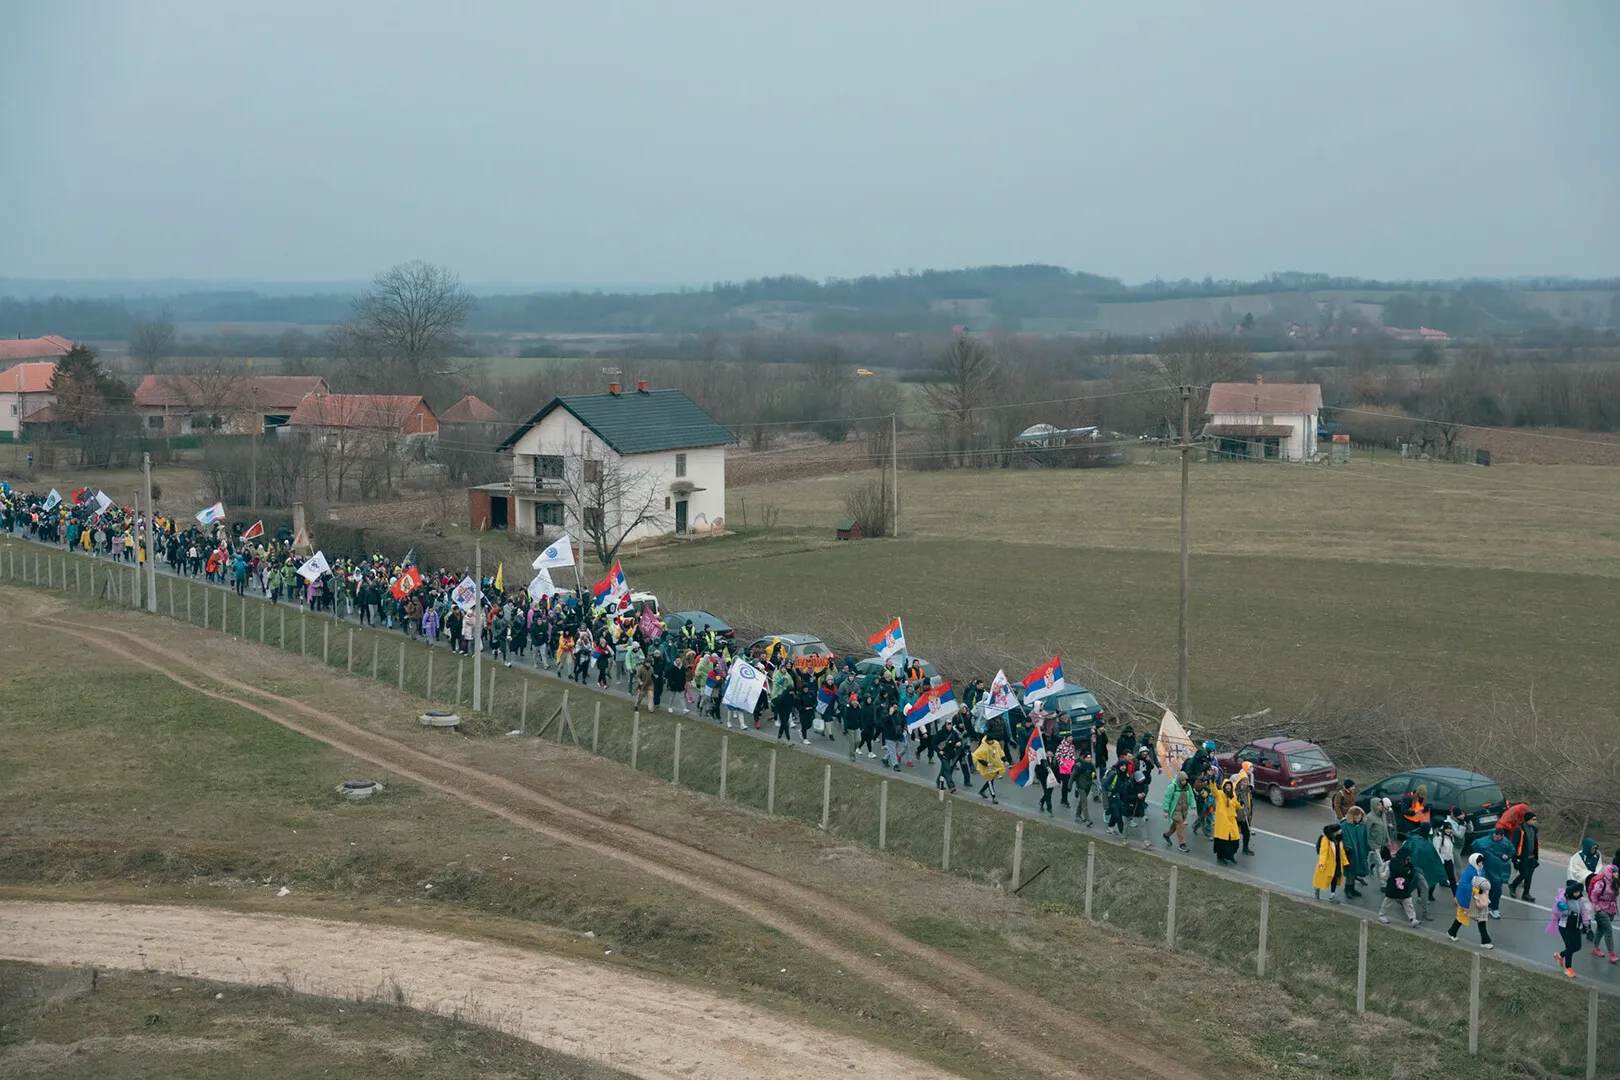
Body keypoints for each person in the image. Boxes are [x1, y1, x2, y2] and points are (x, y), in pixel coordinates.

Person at [1448, 854, 1494, 948]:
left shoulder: (1480, 869)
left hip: (1475, 898)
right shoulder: (1469, 872)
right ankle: (1452, 932)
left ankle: (1485, 940)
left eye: (1481, 862)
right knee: (1464, 917)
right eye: (1479, 862)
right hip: (1468, 899)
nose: (1481, 864)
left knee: (1480, 918)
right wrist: (1478, 890)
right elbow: (1464, 885)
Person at [1377, 834, 1422, 927]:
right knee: (1389, 901)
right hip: (1393, 885)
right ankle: (1382, 915)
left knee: (1408, 902)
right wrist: (1406, 872)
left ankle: (1413, 918)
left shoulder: (1408, 862)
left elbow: (1411, 872)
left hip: (1404, 886)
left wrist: (1408, 874)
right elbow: (1398, 870)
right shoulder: (1394, 861)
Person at [1471, 828, 1513, 919]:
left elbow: (1512, 850)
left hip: (1499, 869)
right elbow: (1476, 844)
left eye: (1498, 837)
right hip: (1487, 868)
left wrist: (1507, 856)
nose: (1495, 838)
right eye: (1495, 836)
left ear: (1502, 836)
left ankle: (1493, 907)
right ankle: (1488, 906)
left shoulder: (1506, 842)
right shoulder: (1487, 840)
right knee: (1487, 888)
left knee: (1496, 889)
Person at [1551, 882, 1589, 978]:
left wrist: (1586, 924)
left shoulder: (1580, 900)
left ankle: (1560, 955)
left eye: (1579, 892)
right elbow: (1556, 911)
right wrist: (1568, 912)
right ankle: (1568, 968)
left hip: (1576, 927)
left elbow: (1584, 912)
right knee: (1570, 946)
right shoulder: (1563, 898)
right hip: (1565, 926)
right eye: (1575, 892)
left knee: (1577, 946)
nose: (1577, 894)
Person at [1588, 864, 1620, 964]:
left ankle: (1595, 948)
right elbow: (1593, 896)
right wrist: (1598, 909)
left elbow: (1615, 896)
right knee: (1608, 931)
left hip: (1611, 910)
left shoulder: (1616, 882)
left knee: (1600, 929)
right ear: (1610, 873)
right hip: (1601, 910)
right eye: (1614, 872)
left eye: (1617, 872)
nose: (1617, 874)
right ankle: (1612, 955)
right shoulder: (1601, 883)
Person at [1508, 810, 1540, 903]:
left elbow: (1535, 842)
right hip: (1522, 857)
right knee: (1524, 874)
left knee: (1529, 876)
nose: (1535, 821)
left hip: (1531, 856)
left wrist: (1536, 856)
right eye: (1533, 819)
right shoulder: (1519, 829)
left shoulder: (1534, 829)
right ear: (1527, 820)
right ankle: (1513, 886)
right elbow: (1514, 844)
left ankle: (1526, 894)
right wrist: (1515, 858)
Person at [1339, 806, 1370, 900]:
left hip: (1360, 851)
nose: (1357, 819)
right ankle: (1347, 889)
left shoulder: (1362, 826)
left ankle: (1352, 889)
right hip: (1350, 852)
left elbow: (1365, 838)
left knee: (1356, 870)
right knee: (1350, 871)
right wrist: (1347, 848)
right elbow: (1343, 837)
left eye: (1359, 817)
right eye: (1355, 817)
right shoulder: (1345, 825)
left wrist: (1367, 849)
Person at [1313, 823, 1349, 903]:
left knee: (1335, 878)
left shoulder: (1339, 838)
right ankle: (1317, 888)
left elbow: (1341, 851)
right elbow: (1323, 852)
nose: (1341, 830)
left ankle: (1332, 895)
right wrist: (1321, 863)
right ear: (1335, 831)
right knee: (1324, 878)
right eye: (1339, 829)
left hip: (1337, 863)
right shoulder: (1325, 839)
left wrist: (1345, 861)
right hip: (1328, 863)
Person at [1162, 774, 1195, 853]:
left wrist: (1193, 807)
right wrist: (1166, 810)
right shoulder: (1172, 786)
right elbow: (1167, 798)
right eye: (1182, 780)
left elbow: (1191, 796)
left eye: (1185, 780)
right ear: (1179, 780)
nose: (1184, 782)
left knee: (1176, 825)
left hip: (1183, 811)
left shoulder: (1188, 786)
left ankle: (1167, 835)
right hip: (1175, 810)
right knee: (1180, 824)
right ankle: (1182, 844)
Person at [1211, 779, 1241, 865]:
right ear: (1224, 786)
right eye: (1227, 785)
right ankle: (1220, 857)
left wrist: (1240, 804)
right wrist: (1212, 782)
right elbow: (1214, 790)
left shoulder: (1232, 796)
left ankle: (1230, 856)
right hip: (1223, 821)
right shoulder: (1220, 794)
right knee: (1222, 840)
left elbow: (1236, 805)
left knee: (1235, 839)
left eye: (1229, 786)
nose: (1228, 787)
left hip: (1231, 821)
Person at [971, 734, 1006, 804]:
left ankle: (982, 791)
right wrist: (986, 763)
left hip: (994, 766)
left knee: (991, 779)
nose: (991, 742)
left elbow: (1000, 752)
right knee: (990, 781)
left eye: (992, 740)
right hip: (987, 767)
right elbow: (978, 757)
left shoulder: (996, 744)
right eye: (989, 741)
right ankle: (994, 797)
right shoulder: (983, 746)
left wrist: (1005, 760)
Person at [1233, 762, 1256, 855]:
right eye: (1243, 782)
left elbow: (1249, 804)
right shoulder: (1236, 792)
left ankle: (1245, 848)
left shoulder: (1247, 792)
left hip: (1245, 816)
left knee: (1246, 833)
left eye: (1246, 782)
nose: (1245, 783)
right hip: (1236, 816)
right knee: (1234, 834)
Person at [1071, 749, 1095, 826]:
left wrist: (1093, 776)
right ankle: (1088, 819)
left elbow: (1094, 774)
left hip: (1088, 786)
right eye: (1087, 758)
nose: (1089, 759)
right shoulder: (1079, 765)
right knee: (1085, 802)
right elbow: (1072, 776)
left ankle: (1078, 815)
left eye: (1090, 758)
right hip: (1081, 786)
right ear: (1084, 758)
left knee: (1081, 801)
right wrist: (1069, 786)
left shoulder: (1091, 765)